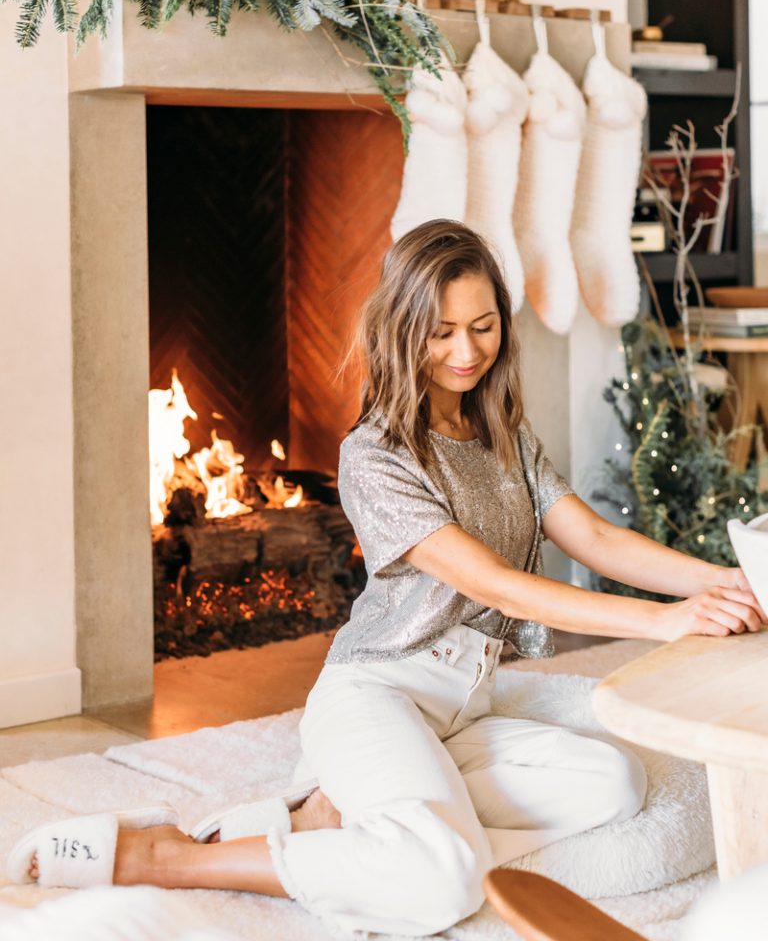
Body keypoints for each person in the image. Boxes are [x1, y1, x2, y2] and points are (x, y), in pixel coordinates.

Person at [10, 220, 765, 937]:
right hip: (377, 693)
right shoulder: (375, 455)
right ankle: (171, 857)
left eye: (483, 325)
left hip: (463, 707)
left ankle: (342, 820)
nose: (466, 351)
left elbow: (592, 535)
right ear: (406, 330)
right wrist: (663, 620)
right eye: (441, 331)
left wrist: (730, 579)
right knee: (442, 880)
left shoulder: (503, 432)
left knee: (615, 786)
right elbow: (494, 583)